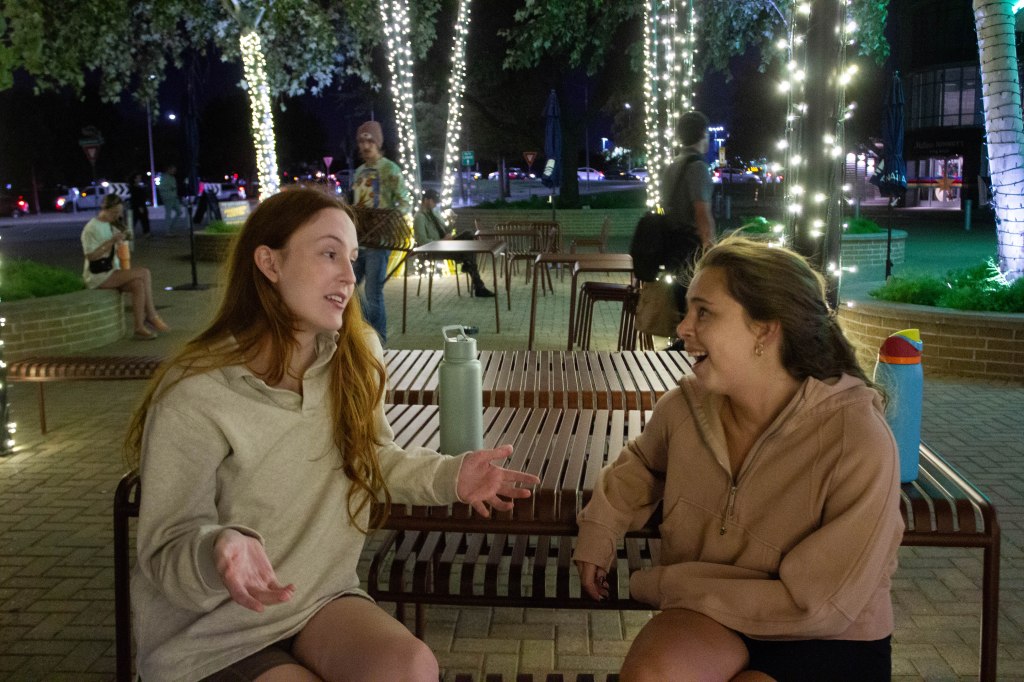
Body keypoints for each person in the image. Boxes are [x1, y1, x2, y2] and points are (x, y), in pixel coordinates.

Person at [124, 188, 539, 681]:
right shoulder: (196, 391)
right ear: (269, 262)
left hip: (318, 598)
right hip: (213, 632)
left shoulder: (355, 354)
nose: (348, 275)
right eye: (328, 254)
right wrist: (217, 548)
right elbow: (165, 550)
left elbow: (370, 460)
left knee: (411, 667)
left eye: (353, 258)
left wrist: (452, 476)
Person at [574, 236, 903, 682]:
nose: (682, 328)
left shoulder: (857, 437)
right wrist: (599, 529)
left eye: (703, 313)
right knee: (652, 674)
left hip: (831, 636)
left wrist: (668, 585)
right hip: (714, 617)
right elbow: (642, 465)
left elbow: (820, 605)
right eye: (687, 310)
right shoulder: (685, 408)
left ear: (765, 330)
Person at [659, 110, 716, 349]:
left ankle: (679, 355)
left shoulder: (671, 166)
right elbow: (701, 211)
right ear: (703, 134)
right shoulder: (697, 167)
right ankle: (686, 357)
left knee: (683, 308)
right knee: (699, 311)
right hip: (692, 249)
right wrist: (710, 247)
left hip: (672, 247)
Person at [351, 120, 410, 342]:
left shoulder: (390, 169)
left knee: (373, 293)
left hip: (379, 242)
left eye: (370, 141)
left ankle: (379, 340)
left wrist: (387, 218)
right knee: (348, 287)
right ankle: (363, 330)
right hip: (358, 241)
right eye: (361, 141)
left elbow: (405, 203)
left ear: (378, 143)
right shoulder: (359, 172)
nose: (365, 145)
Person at [80, 194, 169, 340]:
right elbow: (90, 256)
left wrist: (123, 236)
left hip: (112, 270)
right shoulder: (91, 228)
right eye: (114, 212)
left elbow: (126, 240)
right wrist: (111, 242)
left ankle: (139, 327)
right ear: (105, 209)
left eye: (119, 212)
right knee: (144, 272)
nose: (117, 216)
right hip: (98, 275)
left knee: (138, 284)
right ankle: (151, 315)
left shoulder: (112, 225)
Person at [413, 188, 495, 297]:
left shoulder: (435, 213)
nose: (435, 204)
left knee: (469, 234)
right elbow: (422, 240)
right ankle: (478, 284)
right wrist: (442, 241)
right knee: (467, 254)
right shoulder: (419, 217)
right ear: (426, 200)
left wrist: (451, 222)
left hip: (446, 244)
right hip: (435, 248)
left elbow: (445, 231)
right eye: (434, 201)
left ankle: (469, 267)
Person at [157, 164, 185, 236]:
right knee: (168, 213)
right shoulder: (164, 177)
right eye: (173, 170)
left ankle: (170, 228)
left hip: (174, 197)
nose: (174, 171)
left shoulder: (172, 177)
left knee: (179, 212)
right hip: (168, 197)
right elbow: (160, 187)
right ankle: (168, 230)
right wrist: (169, 189)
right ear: (169, 169)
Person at [129, 173, 151, 238]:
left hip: (141, 205)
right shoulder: (134, 188)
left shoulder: (139, 186)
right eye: (138, 177)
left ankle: (146, 232)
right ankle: (146, 232)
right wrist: (140, 206)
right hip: (138, 206)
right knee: (139, 219)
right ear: (135, 179)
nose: (140, 179)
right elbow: (136, 198)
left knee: (143, 219)